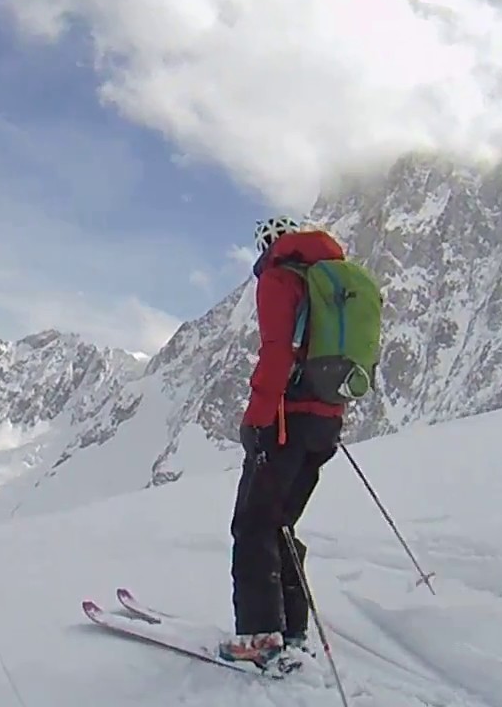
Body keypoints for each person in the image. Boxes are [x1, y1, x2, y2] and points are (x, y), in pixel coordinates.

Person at [218, 216, 348, 666]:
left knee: (253, 527)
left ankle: (259, 637)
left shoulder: (279, 276)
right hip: (325, 425)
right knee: (282, 526)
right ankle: (292, 631)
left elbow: (277, 351)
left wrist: (255, 421)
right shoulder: (332, 279)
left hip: (284, 424)